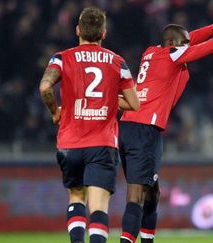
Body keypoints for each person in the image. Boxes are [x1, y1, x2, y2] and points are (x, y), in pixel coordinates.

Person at [118, 1, 213, 243]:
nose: (187, 48)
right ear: (172, 45)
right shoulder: (171, 54)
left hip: (127, 127)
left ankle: (147, 239)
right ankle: (127, 240)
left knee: (152, 192)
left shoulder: (152, 51)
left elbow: (192, 38)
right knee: (136, 194)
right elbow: (208, 46)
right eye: (183, 45)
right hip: (145, 129)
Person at [39, 7, 139, 243]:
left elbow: (45, 87)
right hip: (103, 144)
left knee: (76, 198)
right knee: (98, 207)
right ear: (104, 33)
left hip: (69, 143)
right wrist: (106, 97)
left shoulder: (62, 58)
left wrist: (55, 111)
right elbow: (134, 104)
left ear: (77, 30)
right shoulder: (118, 62)